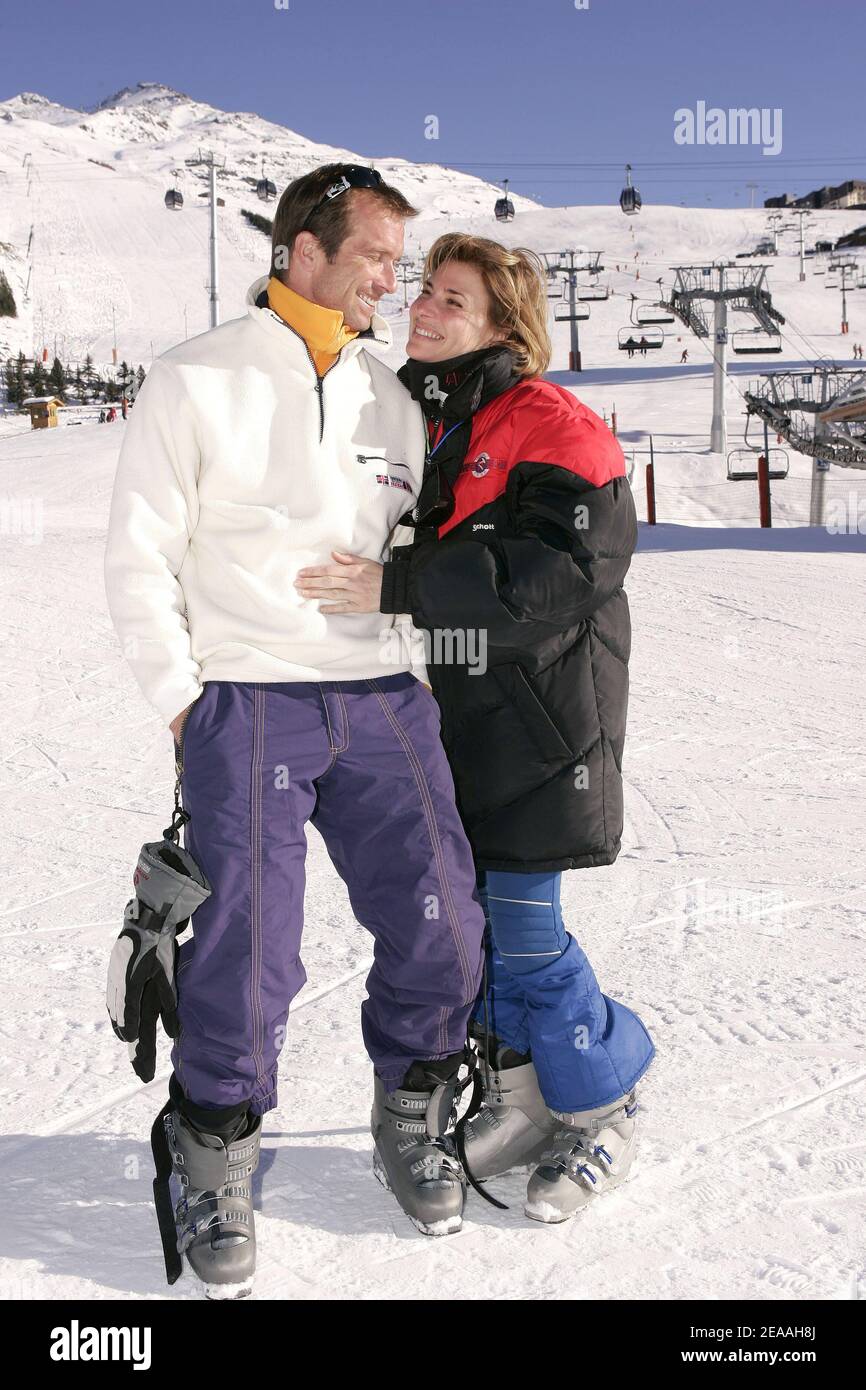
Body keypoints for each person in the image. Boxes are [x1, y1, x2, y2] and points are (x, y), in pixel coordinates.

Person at [104, 164, 488, 1293]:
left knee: (445, 923)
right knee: (247, 949)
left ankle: (413, 1099)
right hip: (247, 704)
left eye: (397, 259)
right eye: (373, 254)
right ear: (303, 252)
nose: (390, 279)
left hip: (380, 700)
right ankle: (214, 1143)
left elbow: (419, 551)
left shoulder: (391, 400)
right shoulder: (196, 379)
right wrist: (185, 701)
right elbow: (138, 555)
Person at [298, 234, 655, 1225]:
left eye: (452, 299)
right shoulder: (431, 420)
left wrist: (401, 584)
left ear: (502, 321)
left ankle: (604, 1095)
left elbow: (565, 569)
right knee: (481, 927)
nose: (427, 309)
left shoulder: (550, 421)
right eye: (425, 292)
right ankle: (522, 1090)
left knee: (527, 932)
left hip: (544, 715)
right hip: (459, 711)